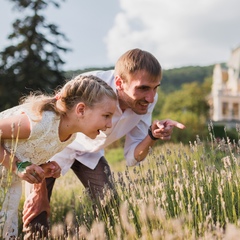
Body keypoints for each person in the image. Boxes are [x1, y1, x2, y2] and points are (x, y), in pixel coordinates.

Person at [23, 48, 186, 235]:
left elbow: (133, 157)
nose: (150, 97)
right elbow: (46, 130)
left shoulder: (147, 100)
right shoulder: (86, 85)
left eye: (155, 88)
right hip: (57, 148)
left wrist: (152, 135)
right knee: (36, 213)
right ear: (119, 82)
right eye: (143, 88)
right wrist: (38, 190)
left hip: (91, 153)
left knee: (111, 209)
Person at [0, 75, 117, 239]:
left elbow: (26, 151)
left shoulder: (70, 137)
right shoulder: (41, 122)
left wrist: (41, 168)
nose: (110, 124)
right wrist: (17, 166)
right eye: (106, 115)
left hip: (7, 186)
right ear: (81, 110)